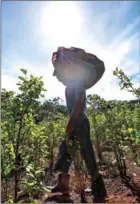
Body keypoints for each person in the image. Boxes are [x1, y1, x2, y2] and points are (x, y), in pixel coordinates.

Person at [47, 79, 107, 197]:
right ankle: (63, 185)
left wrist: (70, 123)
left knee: (87, 153)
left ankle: (98, 186)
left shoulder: (78, 82)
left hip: (79, 123)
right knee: (65, 150)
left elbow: (79, 105)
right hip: (73, 122)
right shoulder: (68, 87)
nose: (59, 76)